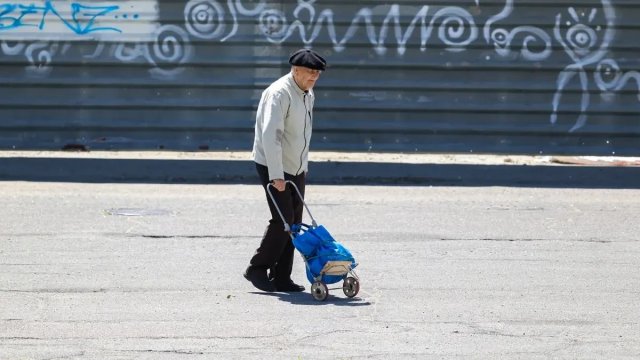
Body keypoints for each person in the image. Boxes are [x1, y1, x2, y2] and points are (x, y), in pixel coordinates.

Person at [243, 48, 327, 292]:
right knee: (283, 222)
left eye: (317, 74)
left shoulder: (306, 93)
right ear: (295, 70)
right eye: (309, 73)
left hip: (295, 166)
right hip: (273, 164)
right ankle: (257, 268)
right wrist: (277, 175)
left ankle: (281, 276)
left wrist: (302, 167)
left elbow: (302, 134)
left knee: (296, 225)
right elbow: (271, 136)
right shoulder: (280, 93)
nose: (314, 78)